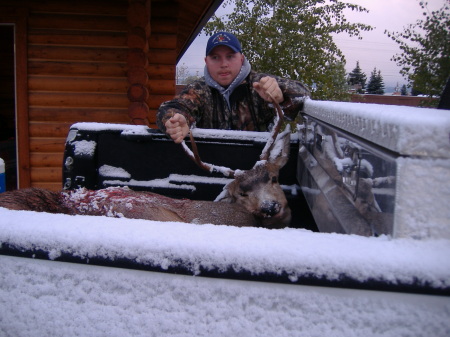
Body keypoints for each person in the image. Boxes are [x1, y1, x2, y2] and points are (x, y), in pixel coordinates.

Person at [157, 31, 310, 143]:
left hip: (257, 169)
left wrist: (280, 97)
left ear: (241, 58)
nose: (224, 64)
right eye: (215, 57)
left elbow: (302, 93)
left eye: (230, 56)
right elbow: (173, 107)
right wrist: (175, 120)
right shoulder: (199, 90)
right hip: (210, 165)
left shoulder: (259, 84)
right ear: (206, 61)